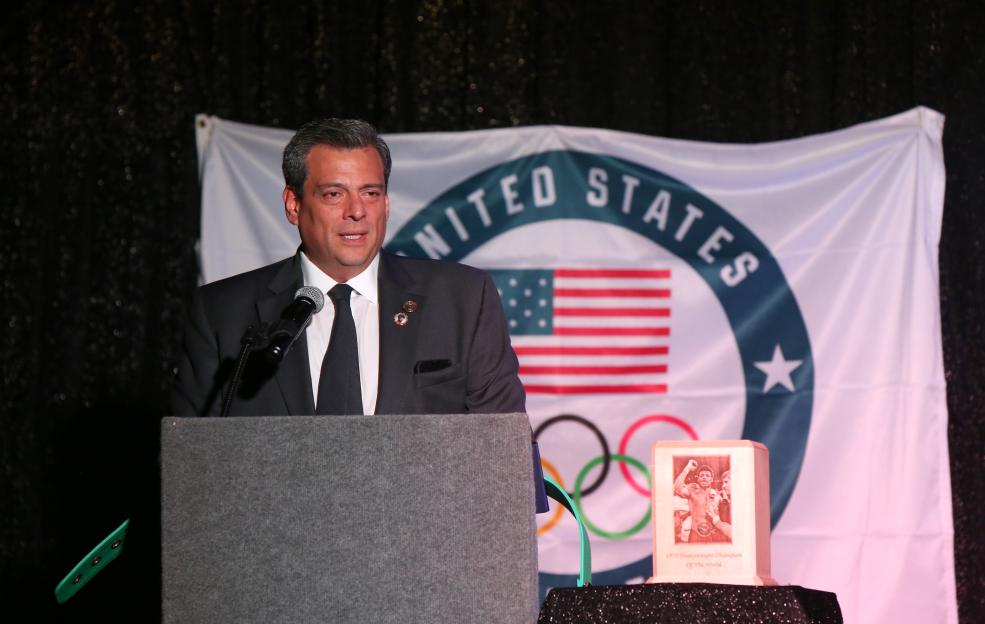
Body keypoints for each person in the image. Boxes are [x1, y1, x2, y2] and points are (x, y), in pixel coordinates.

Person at [171, 118, 526, 419]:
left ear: (386, 203)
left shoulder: (463, 298)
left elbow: (503, 455)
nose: (357, 211)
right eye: (334, 194)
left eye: (371, 193)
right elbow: (191, 468)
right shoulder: (222, 313)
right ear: (293, 205)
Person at [673, 459, 719, 543]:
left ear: (711, 479)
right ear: (698, 479)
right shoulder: (693, 490)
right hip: (696, 534)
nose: (704, 477)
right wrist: (687, 468)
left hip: (711, 534)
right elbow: (677, 488)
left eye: (707, 476)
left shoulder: (715, 495)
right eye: (702, 476)